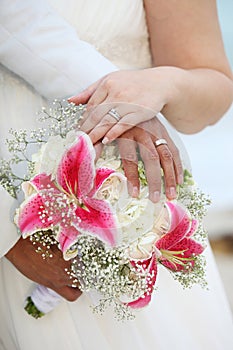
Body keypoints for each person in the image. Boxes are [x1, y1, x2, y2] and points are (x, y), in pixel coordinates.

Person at [0, 1, 233, 350]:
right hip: (17, 221)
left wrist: (163, 83)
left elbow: (211, 91)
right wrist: (6, 235)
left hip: (140, 212)